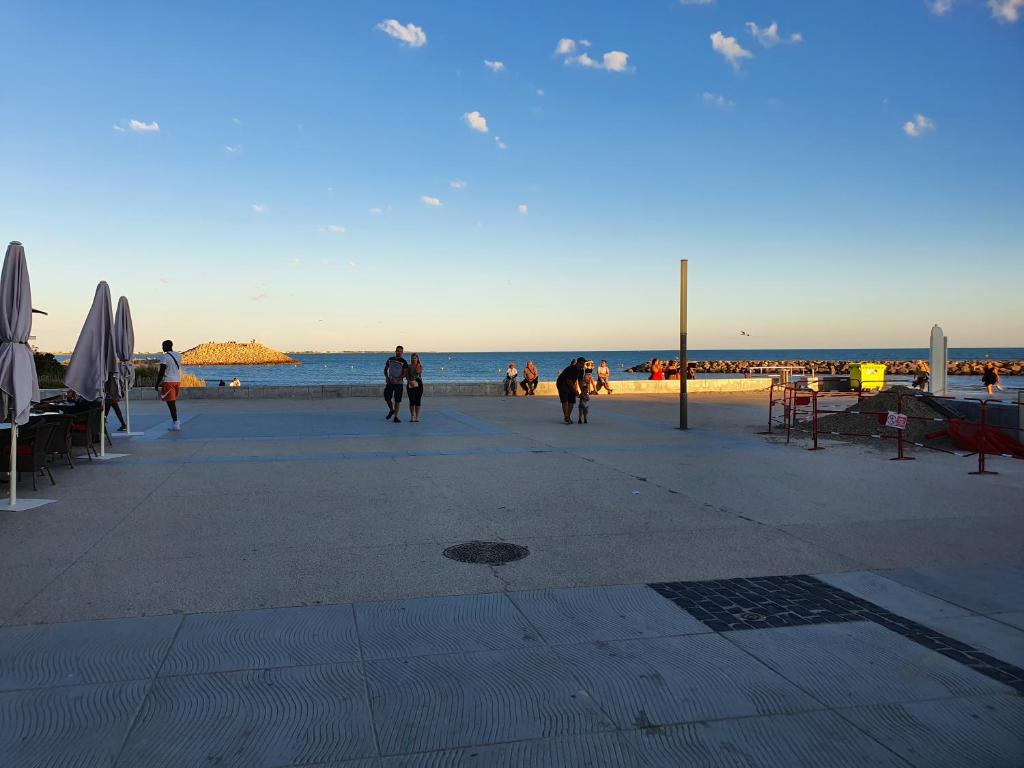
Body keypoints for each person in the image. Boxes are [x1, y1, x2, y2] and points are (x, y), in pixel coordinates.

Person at [154, 339, 182, 431]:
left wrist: (157, 384)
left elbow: (161, 372)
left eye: (163, 346)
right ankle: (175, 421)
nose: (162, 347)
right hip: (177, 381)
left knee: (171, 403)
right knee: (172, 402)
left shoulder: (165, 357)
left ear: (167, 346)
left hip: (168, 381)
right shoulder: (178, 355)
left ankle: (176, 423)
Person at [556, 357, 586, 425]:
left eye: (583, 364)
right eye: (581, 363)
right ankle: (566, 417)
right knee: (565, 400)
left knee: (571, 401)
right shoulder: (571, 368)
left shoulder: (581, 370)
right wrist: (575, 391)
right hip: (562, 383)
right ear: (577, 363)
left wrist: (582, 392)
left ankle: (568, 416)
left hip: (571, 384)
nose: (582, 365)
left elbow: (580, 381)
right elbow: (568, 381)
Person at [384, 346, 408, 422]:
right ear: (395, 351)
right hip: (390, 382)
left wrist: (398, 379)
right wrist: (387, 377)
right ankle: (391, 410)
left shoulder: (404, 361)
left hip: (399, 384)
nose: (399, 352)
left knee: (397, 401)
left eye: (401, 351)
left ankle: (396, 417)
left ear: (402, 352)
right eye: (398, 351)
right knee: (387, 397)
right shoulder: (390, 359)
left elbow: (405, 373)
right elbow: (385, 369)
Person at [406, 352, 424, 422]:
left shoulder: (419, 366)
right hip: (410, 383)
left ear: (417, 358)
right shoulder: (408, 366)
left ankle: (417, 416)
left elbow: (418, 372)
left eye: (415, 358)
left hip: (419, 384)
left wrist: (417, 364)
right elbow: (406, 375)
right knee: (412, 401)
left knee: (418, 401)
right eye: (412, 358)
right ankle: (412, 416)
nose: (413, 359)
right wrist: (409, 381)